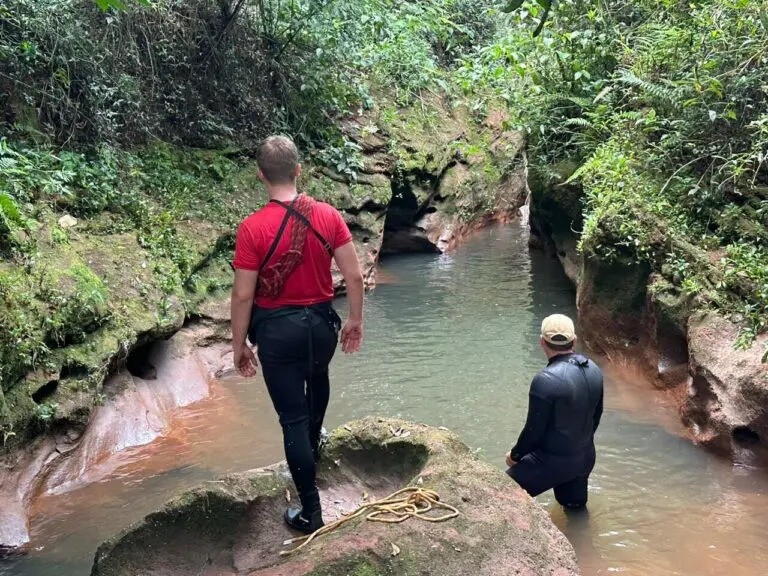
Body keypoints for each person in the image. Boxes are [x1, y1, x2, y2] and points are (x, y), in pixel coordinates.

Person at [230, 135, 365, 534]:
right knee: (318, 380)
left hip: (277, 333)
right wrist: (355, 320)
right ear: (298, 170)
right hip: (321, 327)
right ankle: (313, 446)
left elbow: (242, 296)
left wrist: (238, 346)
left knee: (292, 418)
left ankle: (311, 512)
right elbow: (354, 275)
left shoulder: (252, 228)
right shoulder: (327, 215)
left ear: (260, 176)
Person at [505, 313, 603, 509]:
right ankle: (581, 539)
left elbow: (533, 432)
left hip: (552, 462)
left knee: (499, 497)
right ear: (574, 340)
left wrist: (515, 456)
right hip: (585, 457)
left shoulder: (546, 379)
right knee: (575, 511)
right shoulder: (593, 369)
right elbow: (596, 417)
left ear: (542, 341)